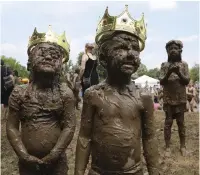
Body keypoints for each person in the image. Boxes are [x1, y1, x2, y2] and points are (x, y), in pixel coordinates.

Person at [75, 5, 161, 175]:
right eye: (121, 48)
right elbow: (84, 137)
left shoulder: (143, 97)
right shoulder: (93, 95)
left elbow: (150, 138)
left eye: (135, 48)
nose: (130, 54)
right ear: (104, 58)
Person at [6, 26, 75, 175]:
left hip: (57, 163)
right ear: (30, 60)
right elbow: (12, 127)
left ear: (61, 65)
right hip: (27, 164)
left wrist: (55, 153)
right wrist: (23, 154)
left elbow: (69, 126)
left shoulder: (65, 93)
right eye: (42, 54)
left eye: (55, 55)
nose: (49, 58)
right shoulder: (19, 92)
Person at [159, 40, 190, 157]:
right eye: (170, 48)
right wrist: (169, 73)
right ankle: (167, 147)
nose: (172, 50)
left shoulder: (184, 65)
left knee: (181, 123)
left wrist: (178, 73)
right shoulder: (164, 65)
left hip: (180, 98)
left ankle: (183, 146)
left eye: (175, 48)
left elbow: (186, 81)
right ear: (167, 51)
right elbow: (161, 81)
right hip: (168, 98)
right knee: (168, 123)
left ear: (180, 51)